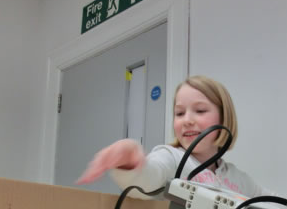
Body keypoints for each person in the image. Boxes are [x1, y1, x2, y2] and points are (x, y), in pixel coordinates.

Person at [76, 75, 273, 199]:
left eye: (200, 110)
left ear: (224, 117)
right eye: (179, 113)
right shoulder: (171, 157)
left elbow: (275, 203)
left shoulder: (238, 178)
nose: (187, 120)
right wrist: (130, 162)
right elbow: (148, 178)